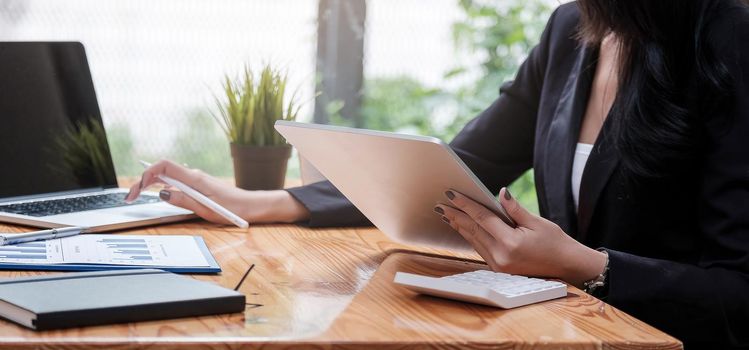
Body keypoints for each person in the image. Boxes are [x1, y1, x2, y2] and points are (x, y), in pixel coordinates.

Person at [125, 1, 749, 348]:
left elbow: (738, 291)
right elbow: (453, 168)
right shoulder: (573, 30)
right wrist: (263, 202)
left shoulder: (729, 36)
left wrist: (592, 265)